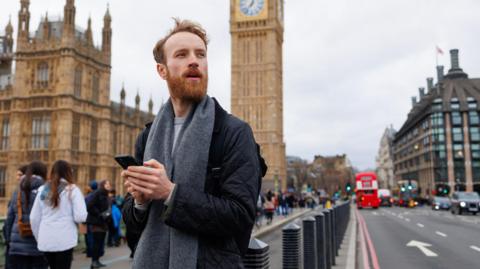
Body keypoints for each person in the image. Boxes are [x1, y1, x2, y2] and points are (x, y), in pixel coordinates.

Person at [121, 18, 262, 269]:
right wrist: (140, 202)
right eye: (182, 54)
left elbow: (241, 216)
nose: (194, 60)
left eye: (201, 54)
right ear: (162, 70)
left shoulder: (233, 133)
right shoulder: (148, 136)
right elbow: (133, 227)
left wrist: (170, 193)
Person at [30, 160, 88, 269]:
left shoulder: (42, 190)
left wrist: (39, 237)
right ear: (68, 173)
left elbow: (34, 218)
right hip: (65, 240)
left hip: (46, 239)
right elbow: (80, 216)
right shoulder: (72, 189)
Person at [4, 161, 48, 269]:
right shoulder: (47, 191)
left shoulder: (17, 191)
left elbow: (9, 220)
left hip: (17, 247)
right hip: (39, 248)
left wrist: (10, 241)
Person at [3, 165, 28, 269]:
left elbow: (9, 219)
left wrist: (8, 239)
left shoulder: (17, 193)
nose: (18, 178)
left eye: (20, 175)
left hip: (16, 241)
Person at [86, 179, 112, 268]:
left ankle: (97, 261)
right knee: (96, 242)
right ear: (103, 185)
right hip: (96, 222)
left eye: (109, 184)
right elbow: (89, 206)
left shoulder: (106, 194)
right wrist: (99, 214)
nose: (109, 186)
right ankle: (94, 261)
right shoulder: (97, 193)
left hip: (103, 222)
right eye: (107, 184)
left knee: (100, 242)